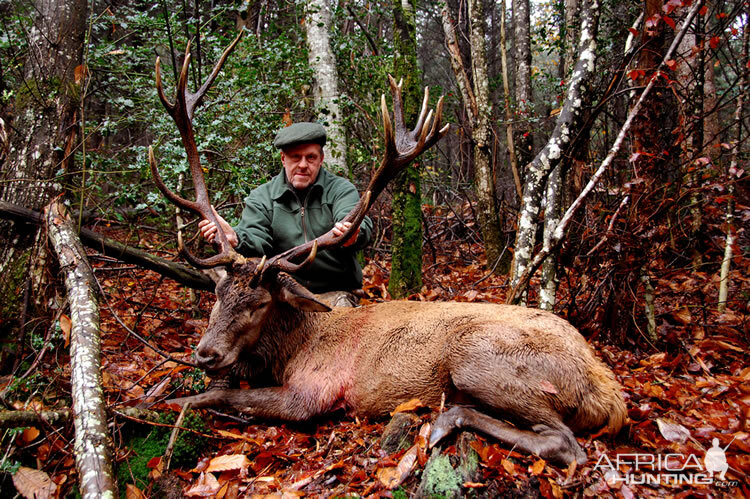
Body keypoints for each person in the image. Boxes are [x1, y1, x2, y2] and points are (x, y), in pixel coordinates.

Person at [199, 122, 372, 306]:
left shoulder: (340, 190)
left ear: (321, 159)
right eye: (295, 157)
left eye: (311, 157)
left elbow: (356, 220)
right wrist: (235, 239)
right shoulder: (263, 197)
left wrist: (353, 234)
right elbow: (256, 238)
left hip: (334, 293)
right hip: (282, 295)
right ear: (283, 159)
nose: (303, 165)